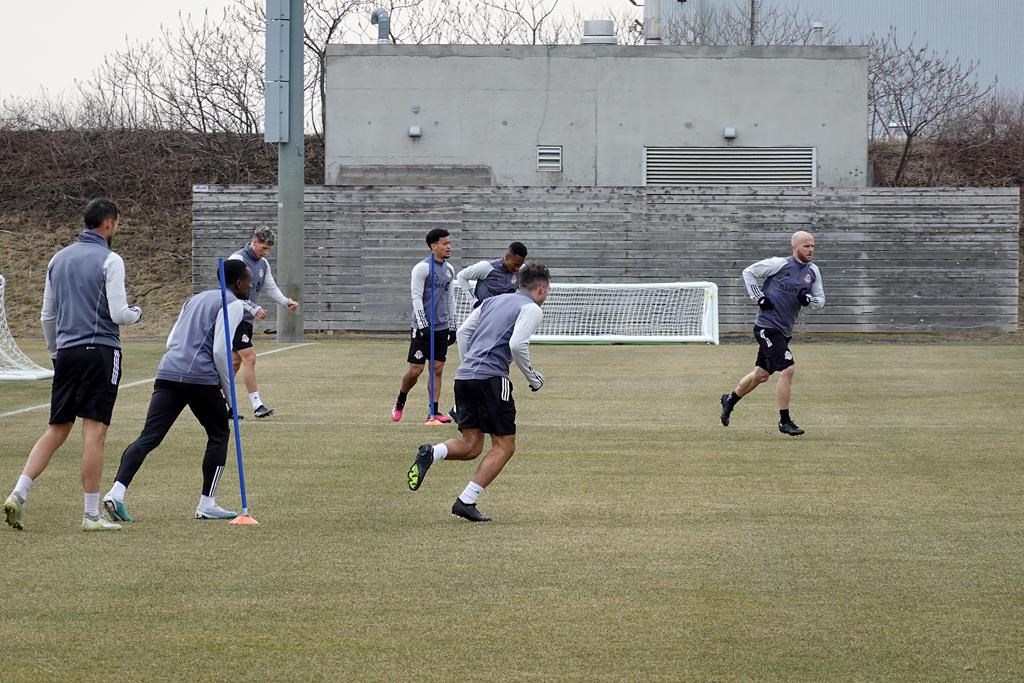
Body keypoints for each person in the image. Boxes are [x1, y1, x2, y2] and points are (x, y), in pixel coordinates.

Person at [3, 198, 142, 532]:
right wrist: (137, 314)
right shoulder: (111, 259)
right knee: (94, 431)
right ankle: (91, 514)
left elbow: (47, 315)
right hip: (101, 351)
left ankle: (18, 493)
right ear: (108, 224)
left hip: (66, 351)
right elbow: (119, 313)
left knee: (56, 428)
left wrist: (55, 350)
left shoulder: (57, 259)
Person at [101, 260, 251, 523]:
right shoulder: (234, 304)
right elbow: (219, 351)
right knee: (219, 433)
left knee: (149, 437)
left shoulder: (193, 300)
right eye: (248, 280)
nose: (251, 285)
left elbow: (171, 340)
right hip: (200, 379)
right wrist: (230, 396)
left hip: (168, 371)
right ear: (238, 282)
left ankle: (116, 493)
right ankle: (207, 503)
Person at [406, 262, 550, 522]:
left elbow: (463, 332)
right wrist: (533, 378)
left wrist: (470, 365)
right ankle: (466, 500)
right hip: (492, 380)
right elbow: (517, 344)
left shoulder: (491, 302)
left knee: (471, 446)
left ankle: (431, 452)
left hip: (464, 377)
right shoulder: (531, 308)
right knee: (504, 445)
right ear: (542, 288)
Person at [719, 230, 825, 436]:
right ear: (794, 247)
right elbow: (748, 272)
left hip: (784, 330)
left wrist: (809, 300)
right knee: (788, 369)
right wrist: (758, 297)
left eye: (813, 246)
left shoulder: (813, 271)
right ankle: (784, 421)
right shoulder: (778, 264)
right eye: (806, 246)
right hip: (767, 327)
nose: (811, 250)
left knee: (761, 375)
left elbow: (820, 300)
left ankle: (730, 399)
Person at [227, 226, 298, 419]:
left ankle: (220, 404)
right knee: (249, 357)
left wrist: (286, 301)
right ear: (254, 242)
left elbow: (270, 287)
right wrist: (253, 308)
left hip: (246, 319)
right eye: (264, 248)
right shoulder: (237, 260)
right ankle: (257, 405)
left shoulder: (263, 263)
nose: (265, 252)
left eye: (268, 249)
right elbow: (230, 292)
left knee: (234, 363)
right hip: (233, 317)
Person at [391, 228, 457, 424]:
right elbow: (416, 296)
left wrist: (452, 325)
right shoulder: (422, 268)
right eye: (445, 243)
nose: (448, 246)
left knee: (437, 369)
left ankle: (433, 412)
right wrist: (423, 323)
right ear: (433, 246)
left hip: (442, 326)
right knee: (416, 370)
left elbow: (450, 298)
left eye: (449, 243)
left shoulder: (449, 269)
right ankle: (401, 400)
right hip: (422, 327)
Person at [455, 242, 528, 308]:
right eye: (515, 264)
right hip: (484, 314)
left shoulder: (522, 270)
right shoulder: (486, 267)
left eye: (520, 265)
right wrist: (474, 302)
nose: (517, 268)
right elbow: (461, 276)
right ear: (507, 257)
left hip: (505, 314)